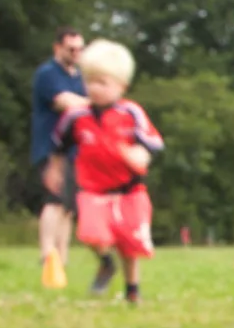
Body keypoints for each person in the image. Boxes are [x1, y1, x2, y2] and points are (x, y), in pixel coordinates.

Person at [51, 40, 161, 304]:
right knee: (91, 232)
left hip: (128, 190)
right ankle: (105, 262)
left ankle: (132, 289)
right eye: (89, 82)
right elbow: (59, 144)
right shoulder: (77, 116)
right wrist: (54, 170)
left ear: (121, 86)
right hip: (93, 189)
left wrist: (138, 156)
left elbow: (152, 143)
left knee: (129, 243)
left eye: (102, 82)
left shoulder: (131, 113)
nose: (95, 89)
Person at [30, 27, 87, 282]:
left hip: (75, 150)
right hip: (50, 148)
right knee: (53, 201)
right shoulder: (47, 74)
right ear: (57, 48)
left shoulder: (80, 78)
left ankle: (61, 259)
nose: (76, 53)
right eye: (70, 48)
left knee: (68, 207)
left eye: (79, 49)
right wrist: (101, 102)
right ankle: (47, 254)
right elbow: (66, 101)